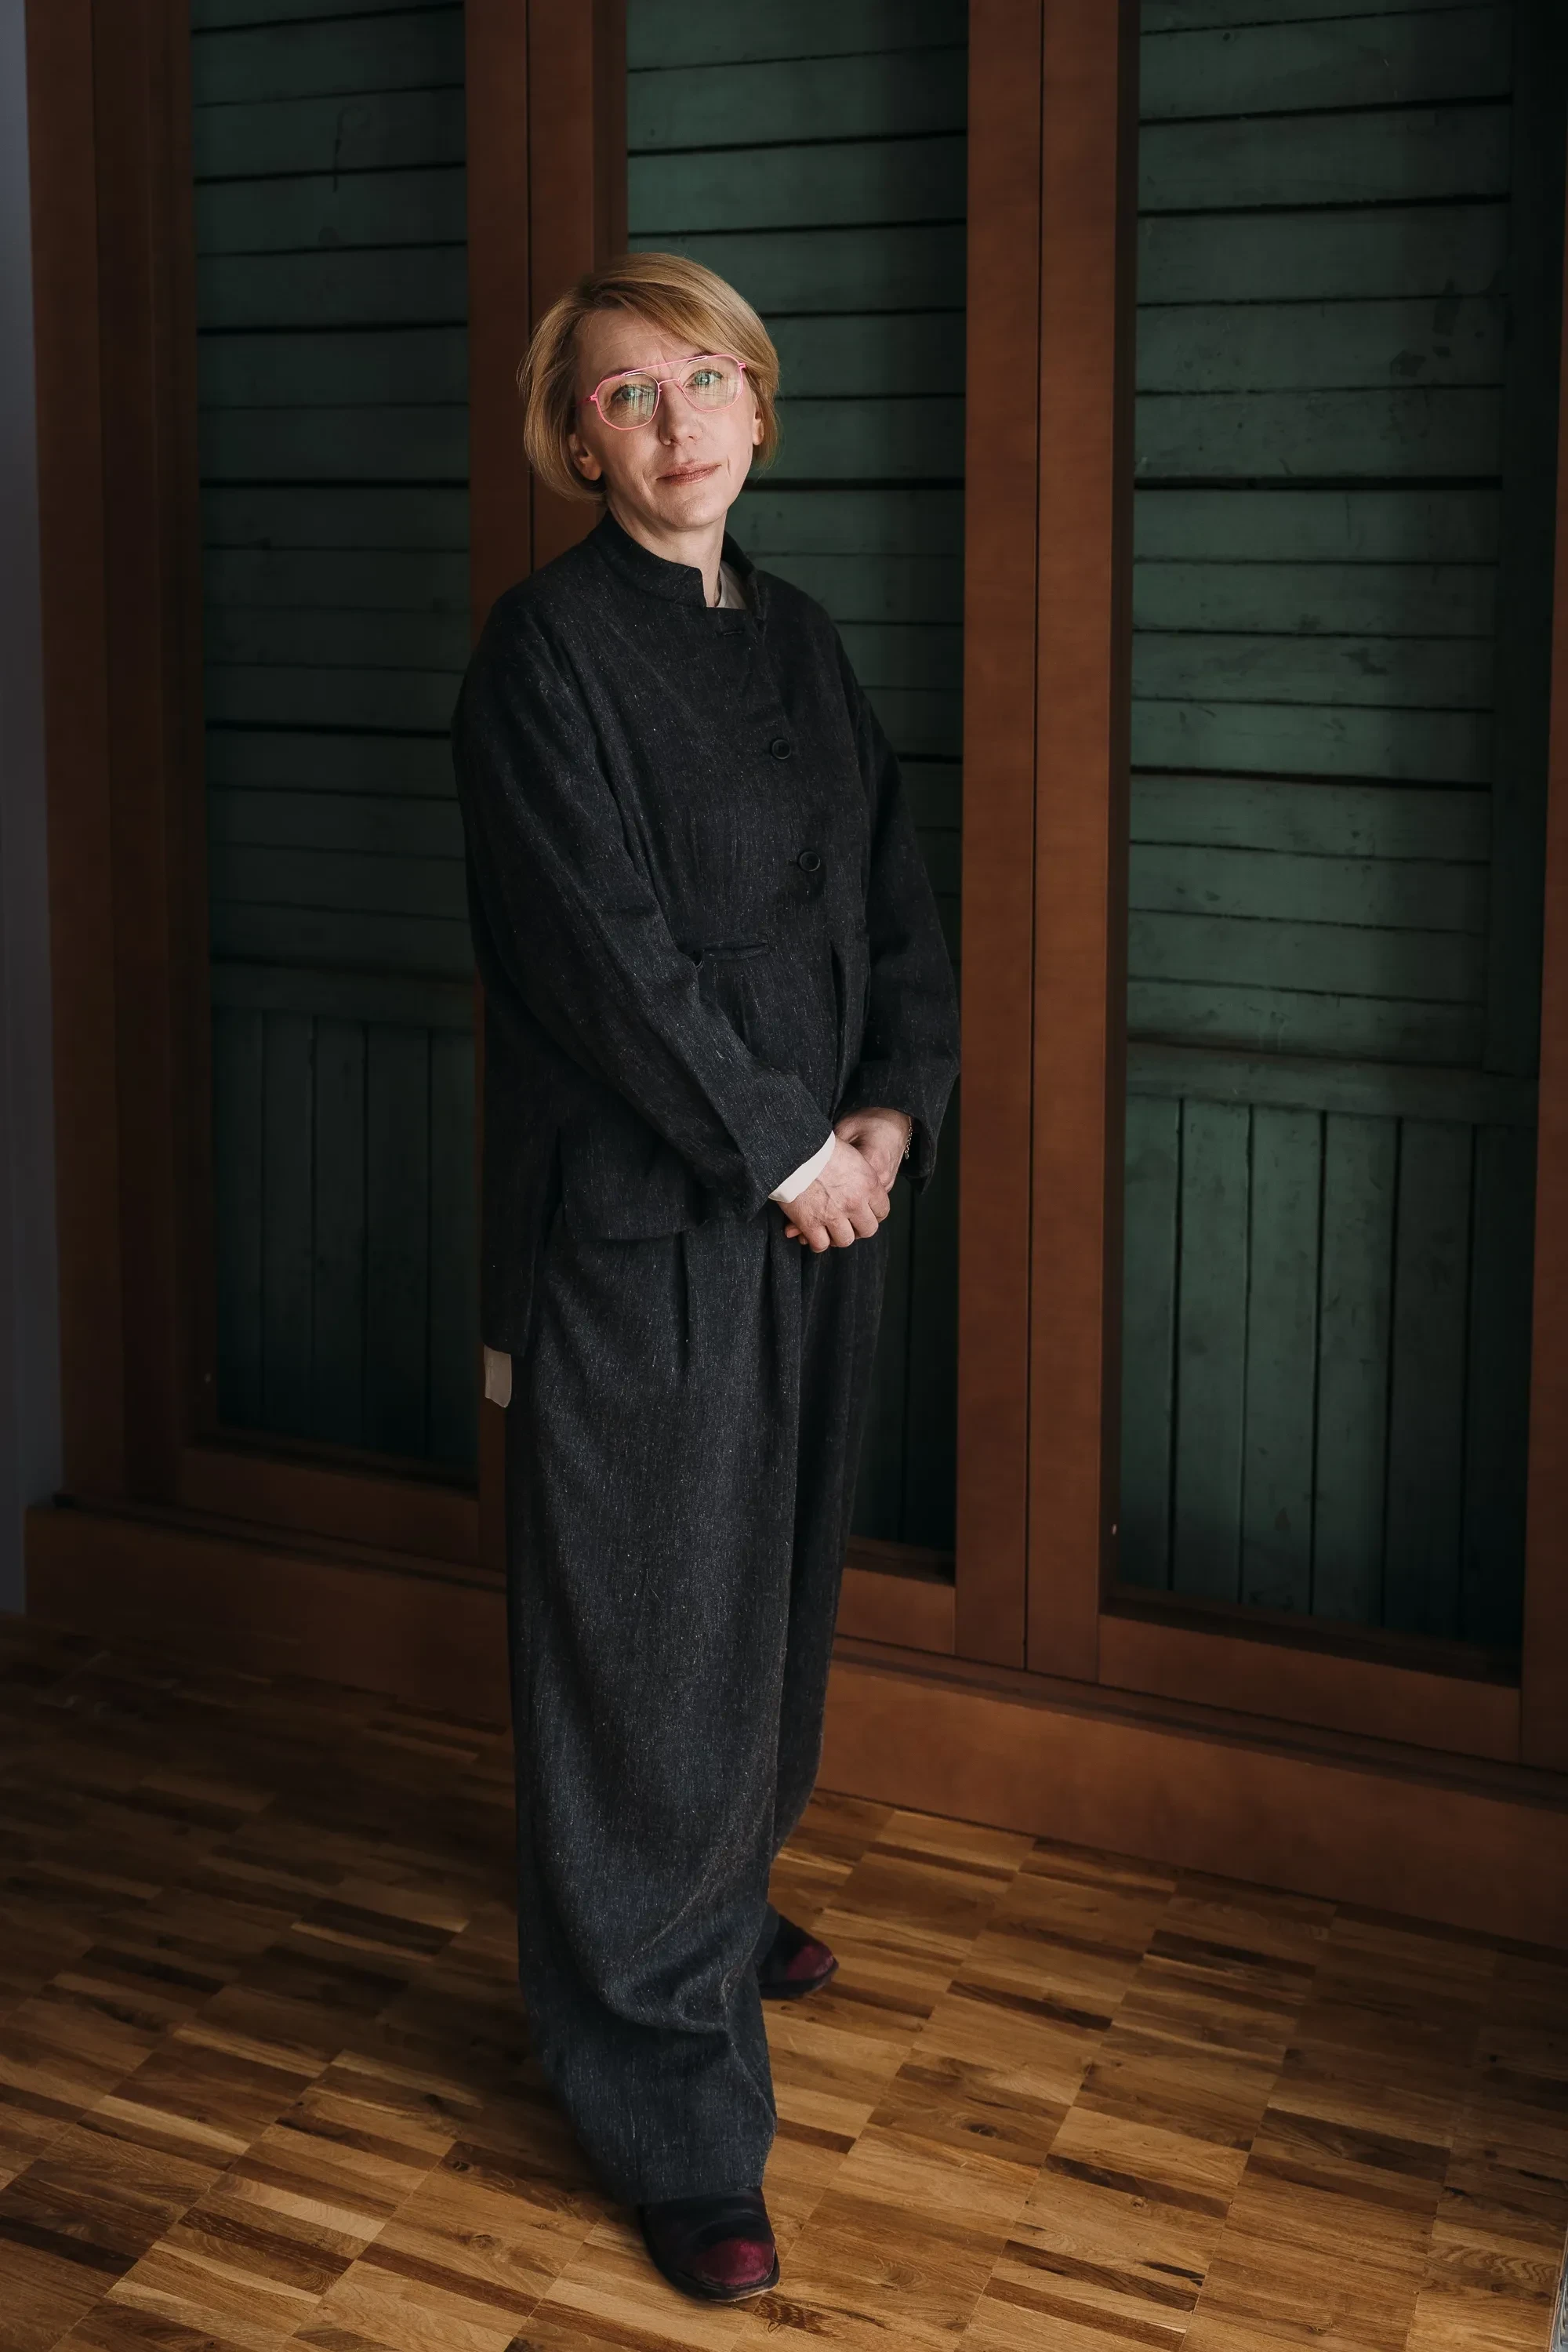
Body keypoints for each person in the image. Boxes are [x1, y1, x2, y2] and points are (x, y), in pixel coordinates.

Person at [451, 251, 960, 2303]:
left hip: (823, 1203)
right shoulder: (543, 658)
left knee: (766, 1609)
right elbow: (602, 958)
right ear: (575, 441)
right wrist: (784, 1150)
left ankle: (705, 1901)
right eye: (625, 394)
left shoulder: (805, 642)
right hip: (647, 1221)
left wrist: (891, 1112)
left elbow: (894, 903)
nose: (677, 421)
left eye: (705, 377)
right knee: (645, 1650)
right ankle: (670, 2107)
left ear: (757, 401)